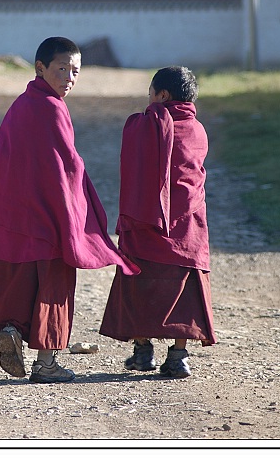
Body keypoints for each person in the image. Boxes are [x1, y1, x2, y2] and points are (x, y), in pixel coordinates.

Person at [0, 37, 140, 384]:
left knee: (15, 282)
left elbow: (4, 161)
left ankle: (10, 328)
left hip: (12, 218)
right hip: (47, 218)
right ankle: (46, 363)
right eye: (61, 69)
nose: (69, 77)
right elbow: (67, 168)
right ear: (40, 68)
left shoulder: (20, 105)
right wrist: (78, 216)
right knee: (53, 285)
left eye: (75, 71)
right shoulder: (53, 108)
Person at [99, 66, 216, 378]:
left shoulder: (145, 126)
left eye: (150, 94)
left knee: (140, 278)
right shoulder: (198, 130)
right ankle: (179, 355)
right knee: (185, 285)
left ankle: (142, 351)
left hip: (146, 225)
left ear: (162, 95)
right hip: (186, 226)